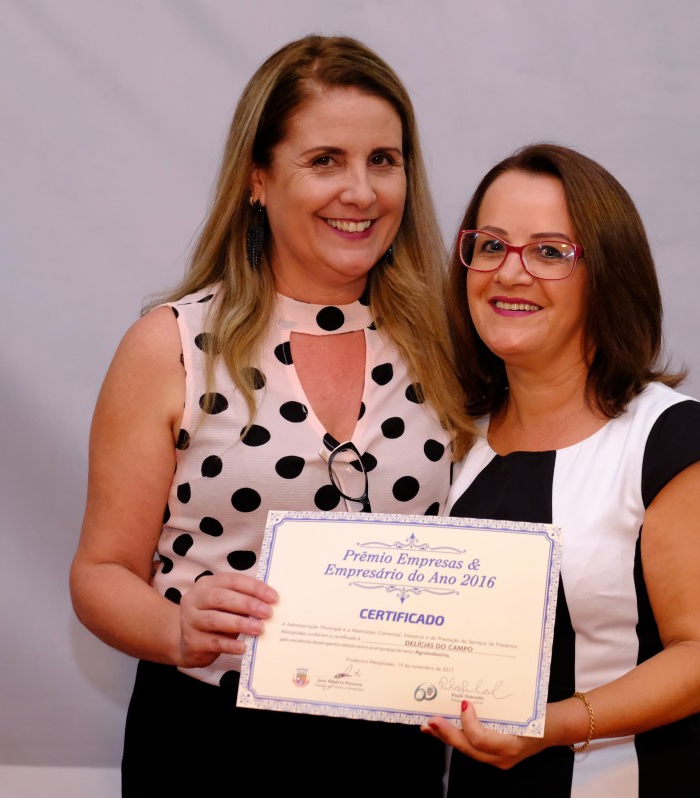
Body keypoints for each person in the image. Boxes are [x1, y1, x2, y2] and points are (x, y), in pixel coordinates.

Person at [69, 35, 473, 794]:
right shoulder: (173, 345)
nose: (361, 192)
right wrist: (176, 628)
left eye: (383, 161)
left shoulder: (450, 348)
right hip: (208, 746)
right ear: (258, 178)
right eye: (325, 160)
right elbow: (100, 572)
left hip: (396, 756)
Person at [423, 144, 700, 797]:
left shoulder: (668, 438)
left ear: (608, 275)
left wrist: (550, 727)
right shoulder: (444, 435)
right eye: (491, 246)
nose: (510, 273)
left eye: (549, 252)